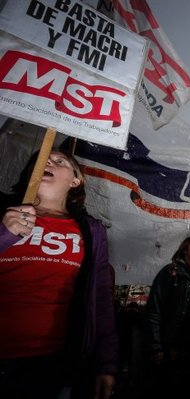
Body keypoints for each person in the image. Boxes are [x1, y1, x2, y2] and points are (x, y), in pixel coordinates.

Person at [0, 150, 117, 399]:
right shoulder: (3, 212)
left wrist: (105, 362)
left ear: (76, 180)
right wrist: (4, 235)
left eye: (60, 161)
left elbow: (100, 297)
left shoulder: (91, 230)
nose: (48, 162)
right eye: (42, 159)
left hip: (50, 364)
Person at [145, 236, 190, 398]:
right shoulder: (170, 273)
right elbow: (154, 309)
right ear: (185, 249)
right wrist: (156, 345)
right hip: (170, 345)